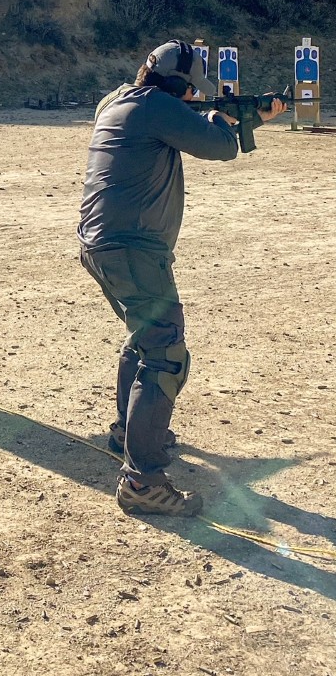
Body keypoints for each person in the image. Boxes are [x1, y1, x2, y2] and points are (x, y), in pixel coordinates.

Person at [78, 39, 286, 518]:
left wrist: (237, 116)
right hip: (132, 249)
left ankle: (128, 433)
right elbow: (220, 147)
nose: (194, 97)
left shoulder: (118, 100)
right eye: (190, 90)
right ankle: (142, 482)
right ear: (176, 86)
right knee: (166, 353)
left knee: (145, 340)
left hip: (103, 244)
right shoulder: (156, 107)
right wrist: (226, 119)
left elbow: (193, 130)